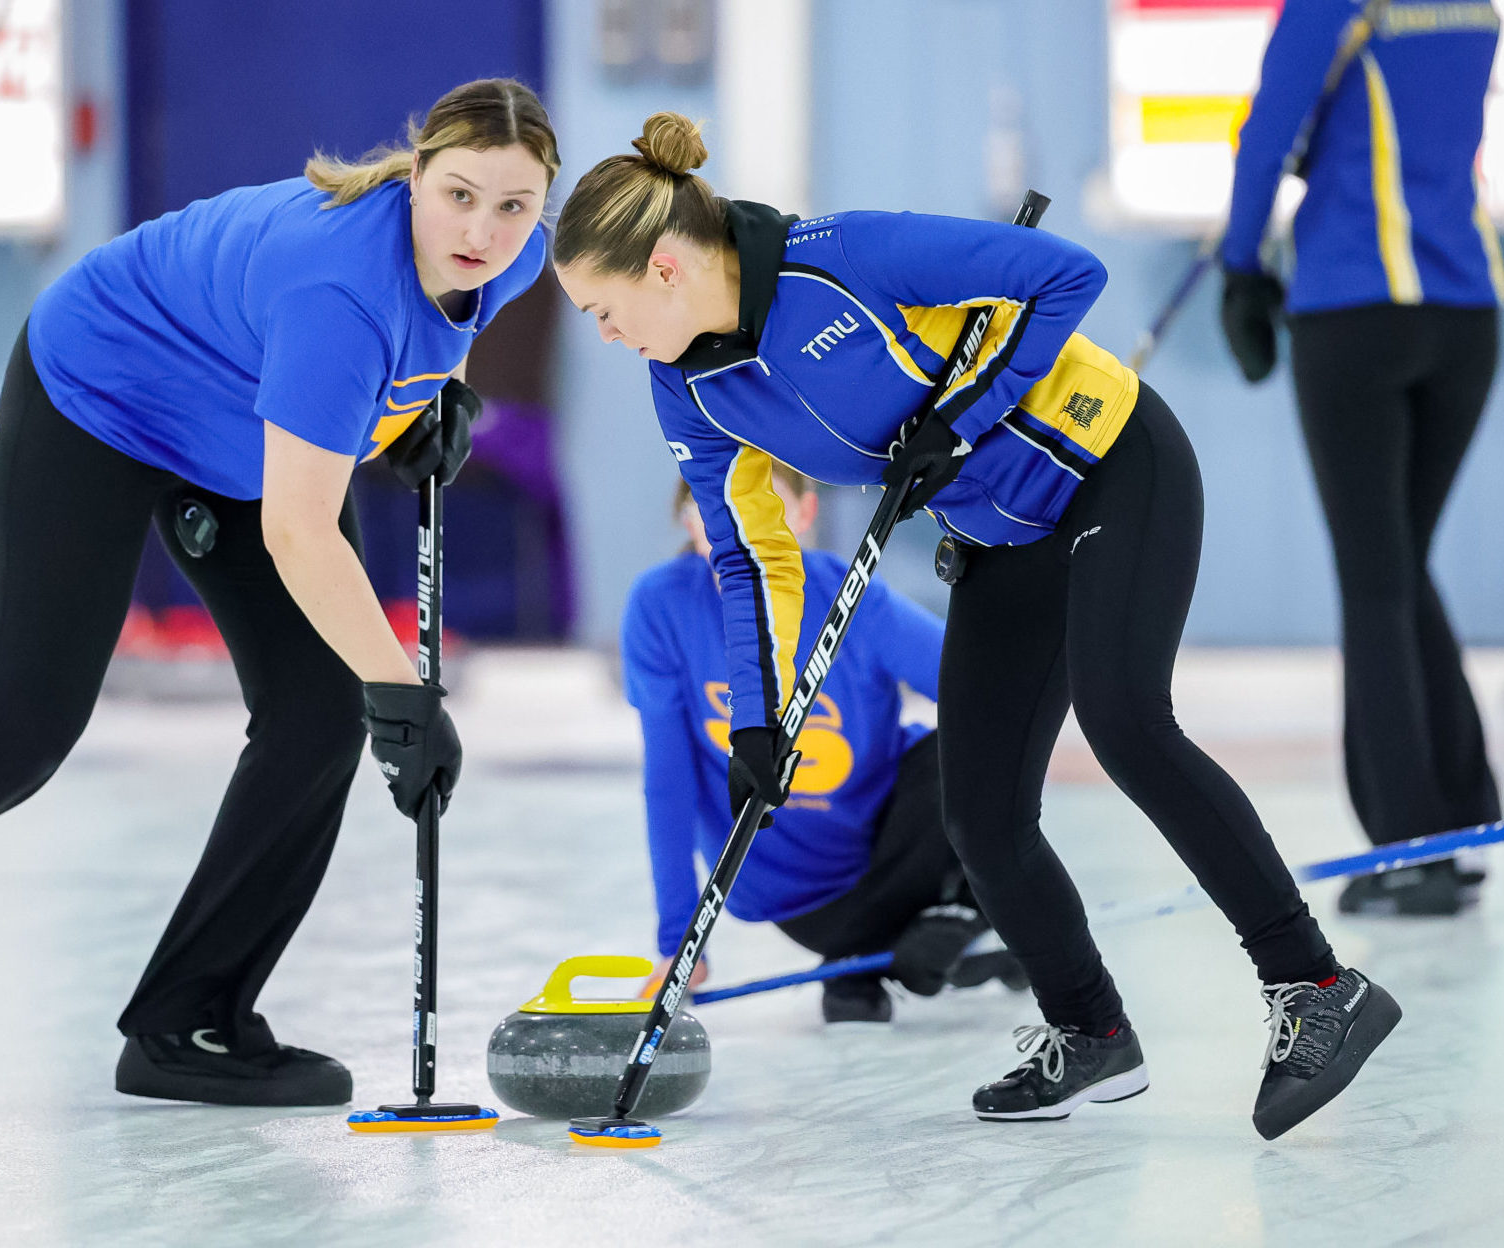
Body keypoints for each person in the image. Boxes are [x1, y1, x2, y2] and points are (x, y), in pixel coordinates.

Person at [0, 79, 560, 1118]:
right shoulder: (336, 292)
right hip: (100, 392)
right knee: (22, 726)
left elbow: (399, 363)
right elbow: (297, 528)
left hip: (233, 424)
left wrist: (414, 412)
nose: (483, 230)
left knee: (317, 712)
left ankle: (188, 1024)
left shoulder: (507, 265)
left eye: (514, 206)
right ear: (416, 174)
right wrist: (407, 696)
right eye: (460, 194)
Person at [552, 112, 1398, 1140]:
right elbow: (749, 554)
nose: (605, 335)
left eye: (604, 308)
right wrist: (759, 718)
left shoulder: (843, 257)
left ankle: (1316, 987)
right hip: (1002, 535)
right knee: (982, 810)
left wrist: (962, 419)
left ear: (667, 266)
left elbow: (1065, 274)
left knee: (1125, 720)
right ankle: (1090, 1033)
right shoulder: (686, 383)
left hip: (1108, 464)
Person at [1219, 0, 1504, 916]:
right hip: (1467, 316)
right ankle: (1462, 821)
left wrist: (1239, 267)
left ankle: (1413, 845)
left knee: (1375, 580)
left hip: (1357, 308)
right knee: (1400, 567)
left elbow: (1266, 135)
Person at [625, 465, 1021, 1024]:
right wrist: (679, 947)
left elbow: (987, 695)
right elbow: (668, 782)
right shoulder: (661, 607)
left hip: (898, 851)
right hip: (798, 896)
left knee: (963, 751)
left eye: (766, 506)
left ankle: (954, 917)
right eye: (717, 510)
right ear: (689, 523)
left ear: (807, 515)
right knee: (911, 948)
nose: (742, 531)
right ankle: (889, 948)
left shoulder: (850, 595)